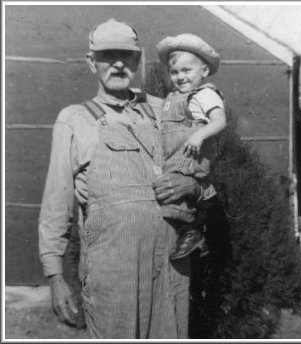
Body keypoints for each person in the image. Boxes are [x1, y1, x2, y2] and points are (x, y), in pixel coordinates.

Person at [38, 18, 215, 339]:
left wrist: (192, 187)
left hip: (170, 269)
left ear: (137, 59)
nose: (118, 63)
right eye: (108, 55)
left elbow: (206, 175)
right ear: (92, 62)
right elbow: (56, 202)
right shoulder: (74, 120)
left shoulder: (167, 110)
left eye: (127, 55)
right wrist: (54, 276)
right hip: (113, 274)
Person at [156, 34, 226, 260]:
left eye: (187, 71)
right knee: (171, 195)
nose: (180, 77)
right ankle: (196, 238)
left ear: (204, 72)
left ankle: (193, 234)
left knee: (178, 201)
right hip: (174, 155)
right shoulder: (172, 98)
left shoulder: (204, 94)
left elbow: (219, 121)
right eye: (175, 72)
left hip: (190, 155)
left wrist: (199, 135)